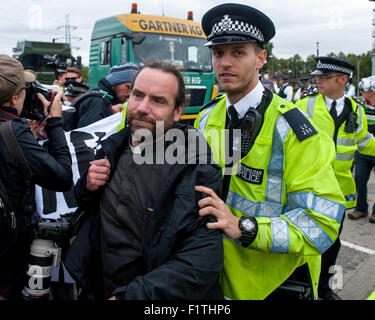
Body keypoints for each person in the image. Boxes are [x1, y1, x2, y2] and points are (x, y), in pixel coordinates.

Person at [194, 3, 345, 300]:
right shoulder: (206, 117)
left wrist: (245, 228)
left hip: (274, 284)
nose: (225, 62)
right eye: (218, 53)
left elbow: (322, 222)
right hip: (212, 274)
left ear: (261, 58)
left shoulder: (295, 129)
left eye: (238, 52)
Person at [64, 61, 224, 300]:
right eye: (137, 95)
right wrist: (87, 187)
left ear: (178, 111)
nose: (142, 108)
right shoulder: (112, 147)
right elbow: (89, 210)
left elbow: (201, 261)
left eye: (158, 101)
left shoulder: (195, 166)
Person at [295, 57, 375, 300]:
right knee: (304, 240)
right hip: (308, 187)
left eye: (324, 77)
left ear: (343, 80)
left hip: (339, 190)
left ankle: (324, 289)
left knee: (332, 242)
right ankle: (301, 287)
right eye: (317, 76)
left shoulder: (356, 109)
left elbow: (364, 143)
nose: (317, 80)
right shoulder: (304, 106)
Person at [0, 54, 73, 300]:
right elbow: (62, 177)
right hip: (7, 256)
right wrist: (54, 123)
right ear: (14, 97)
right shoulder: (13, 132)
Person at [62, 62, 138, 131]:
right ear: (115, 82)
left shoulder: (103, 99)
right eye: (128, 87)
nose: (130, 94)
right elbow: (89, 141)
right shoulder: (97, 102)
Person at [349, 75, 375, 223]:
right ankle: (361, 208)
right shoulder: (360, 107)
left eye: (364, 89)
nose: (362, 92)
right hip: (362, 151)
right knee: (359, 180)